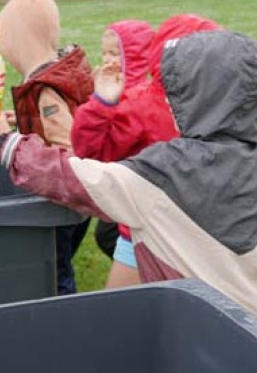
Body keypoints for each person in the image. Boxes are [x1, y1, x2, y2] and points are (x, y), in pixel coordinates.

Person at [0, 29, 257, 349]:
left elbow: (71, 178)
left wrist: (5, 144)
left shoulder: (161, 174)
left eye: (177, 92)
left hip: (188, 340)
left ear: (197, 99)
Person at [72, 15, 219, 289]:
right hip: (157, 230)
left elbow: (89, 151)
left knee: (133, 316)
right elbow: (91, 150)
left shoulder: (217, 106)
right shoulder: (144, 103)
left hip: (186, 231)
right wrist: (101, 104)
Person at [0, 0, 93, 295]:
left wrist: (11, 141)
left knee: (56, 269)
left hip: (62, 201)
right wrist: (21, 125)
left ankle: (61, 308)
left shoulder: (45, 90)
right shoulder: (62, 73)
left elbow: (66, 144)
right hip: (76, 200)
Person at [71, 19, 155, 286]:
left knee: (109, 235)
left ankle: (146, 272)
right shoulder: (123, 90)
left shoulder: (133, 99)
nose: (107, 59)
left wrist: (101, 104)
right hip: (125, 184)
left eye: (114, 53)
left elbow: (96, 148)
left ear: (135, 56)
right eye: (104, 52)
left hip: (132, 188)